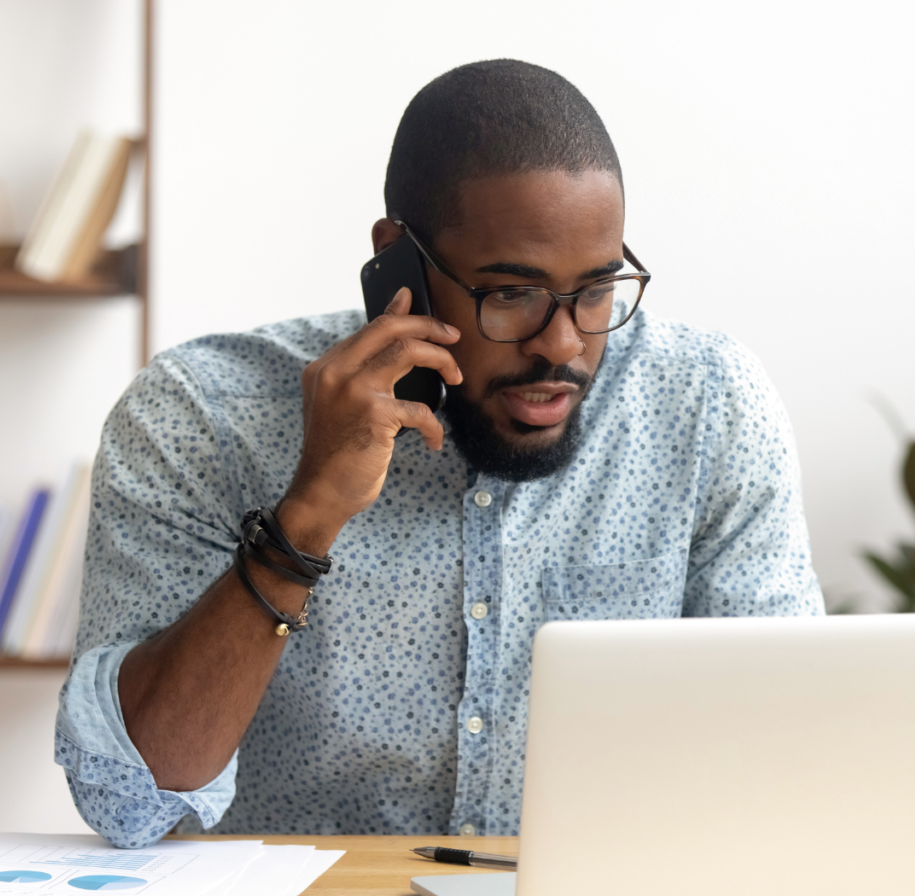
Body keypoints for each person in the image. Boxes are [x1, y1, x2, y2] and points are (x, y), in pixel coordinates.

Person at [55, 59, 823, 849]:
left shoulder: (706, 406)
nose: (562, 345)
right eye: (511, 294)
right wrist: (305, 519)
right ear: (400, 261)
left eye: (597, 290)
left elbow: (796, 758)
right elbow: (130, 802)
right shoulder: (202, 416)